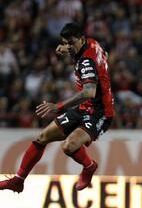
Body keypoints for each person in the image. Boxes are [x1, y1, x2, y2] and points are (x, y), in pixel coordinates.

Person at [0, 23, 114, 192]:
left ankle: (89, 167)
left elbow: (89, 92)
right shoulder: (90, 43)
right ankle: (18, 180)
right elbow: (90, 51)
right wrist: (69, 48)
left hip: (99, 112)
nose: (68, 46)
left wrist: (58, 106)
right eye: (65, 42)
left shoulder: (87, 61)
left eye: (71, 42)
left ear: (81, 39)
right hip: (84, 108)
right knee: (42, 137)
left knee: (69, 146)